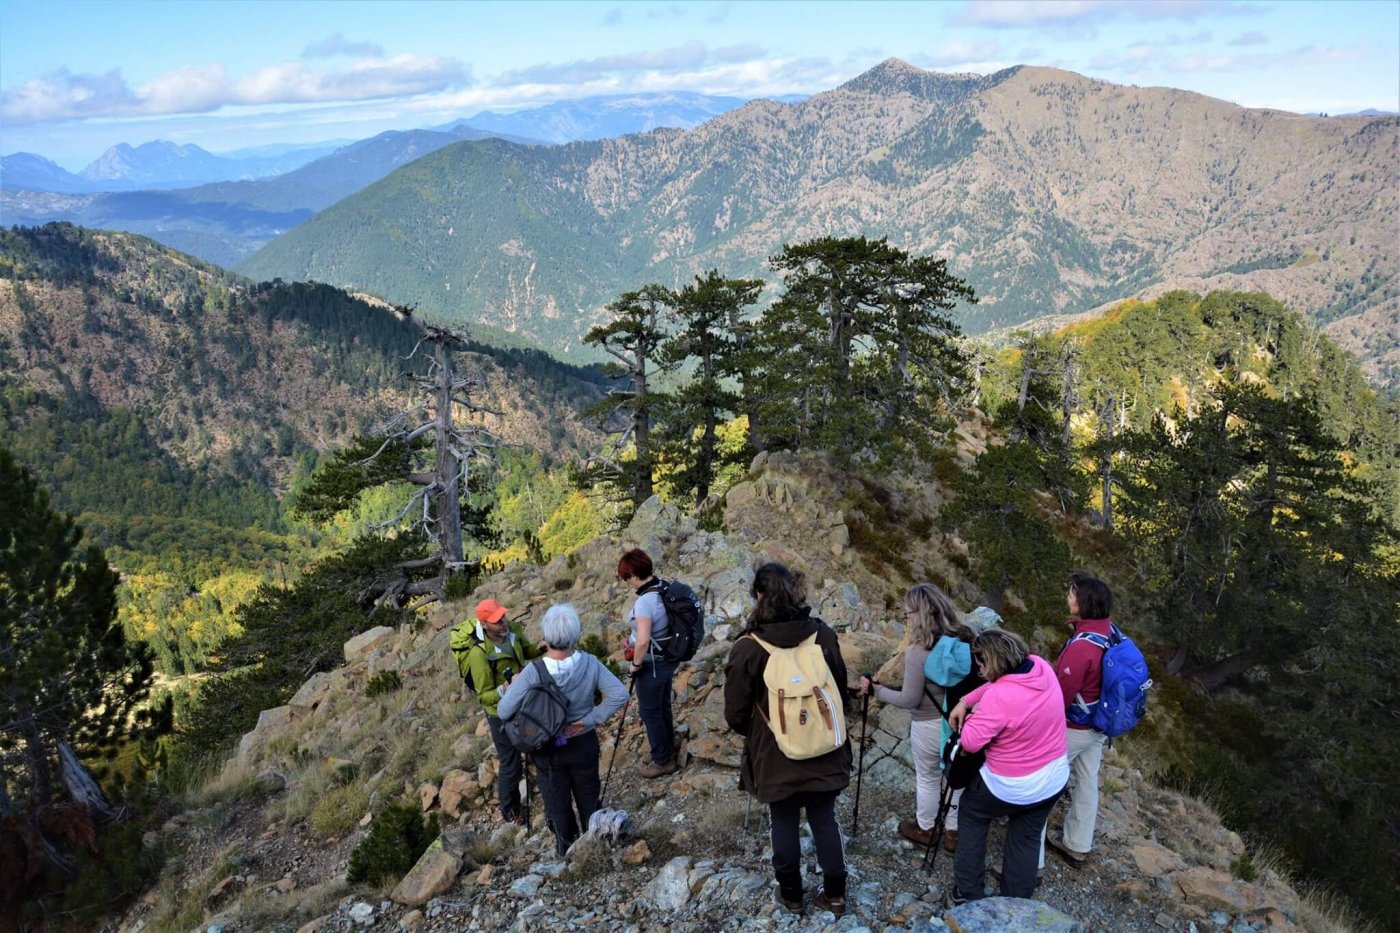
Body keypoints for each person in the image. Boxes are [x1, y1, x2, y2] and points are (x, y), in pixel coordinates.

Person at [724, 563, 852, 917]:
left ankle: (792, 894)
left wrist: (760, 733)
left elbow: (735, 712)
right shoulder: (823, 636)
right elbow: (839, 690)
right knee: (824, 816)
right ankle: (836, 895)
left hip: (775, 752)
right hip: (825, 743)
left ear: (759, 596)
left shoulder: (748, 648)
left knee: (783, 819)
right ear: (797, 592)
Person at [496, 603, 628, 856]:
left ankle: (566, 852)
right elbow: (619, 695)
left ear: (546, 637)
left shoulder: (534, 671)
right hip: (583, 743)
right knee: (589, 797)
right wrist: (589, 720)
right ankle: (595, 850)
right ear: (576, 635)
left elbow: (503, 711)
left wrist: (511, 687)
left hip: (547, 749)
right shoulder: (589, 664)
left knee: (557, 803)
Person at [947, 629, 1069, 903]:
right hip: (1053, 778)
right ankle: (1016, 905)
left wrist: (970, 711)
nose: (978, 670)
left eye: (980, 664)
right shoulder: (1040, 667)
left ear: (992, 661)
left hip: (1009, 785)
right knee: (1026, 839)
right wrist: (967, 699)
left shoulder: (1000, 697)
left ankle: (968, 893)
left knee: (972, 814)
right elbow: (999, 683)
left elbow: (970, 741)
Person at [857, 583, 971, 850]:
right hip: (961, 722)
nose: (906, 619)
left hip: (929, 724)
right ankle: (954, 834)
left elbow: (909, 699)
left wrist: (877, 690)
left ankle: (926, 829)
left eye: (907, 614)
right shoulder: (965, 642)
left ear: (919, 615)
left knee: (929, 777)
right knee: (956, 777)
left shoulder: (918, 653)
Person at [454, 597, 543, 825]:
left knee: (539, 742)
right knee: (510, 762)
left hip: (524, 702)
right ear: (484, 625)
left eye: (503, 616)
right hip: (499, 712)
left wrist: (540, 648)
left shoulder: (512, 630)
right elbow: (483, 695)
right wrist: (505, 688)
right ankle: (511, 811)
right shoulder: (479, 653)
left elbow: (526, 650)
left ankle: (547, 784)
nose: (503, 622)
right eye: (496, 621)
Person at [1046, 572, 1114, 866]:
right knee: (1086, 780)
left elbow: (1060, 694)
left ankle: (1029, 862)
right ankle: (1077, 844)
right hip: (1100, 722)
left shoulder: (1083, 646)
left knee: (1044, 781)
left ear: (1084, 602)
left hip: (1076, 726)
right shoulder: (1110, 631)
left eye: (1072, 593)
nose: (1068, 597)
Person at [617, 548, 679, 778]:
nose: (628, 583)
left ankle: (662, 761)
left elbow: (643, 640)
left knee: (650, 712)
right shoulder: (662, 588)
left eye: (627, 578)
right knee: (662, 706)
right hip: (666, 660)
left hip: (651, 664)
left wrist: (635, 664)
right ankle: (665, 747)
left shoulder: (645, 602)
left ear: (634, 576)